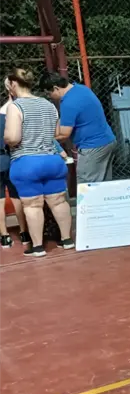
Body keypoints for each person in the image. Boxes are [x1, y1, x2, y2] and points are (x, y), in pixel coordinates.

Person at [2, 68, 74, 256]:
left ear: (13, 84)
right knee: (58, 201)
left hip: (27, 162)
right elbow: (55, 133)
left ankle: (38, 247)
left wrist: (6, 138)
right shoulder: (48, 104)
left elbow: (13, 137)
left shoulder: (15, 107)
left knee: (32, 205)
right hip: (52, 160)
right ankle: (67, 240)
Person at [40, 73, 117, 183]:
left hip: (92, 147)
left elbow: (64, 134)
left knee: (86, 186)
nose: (50, 98)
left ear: (56, 88)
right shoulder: (82, 89)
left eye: (49, 94)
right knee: (102, 186)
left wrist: (43, 138)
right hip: (108, 141)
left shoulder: (68, 102)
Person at [0, 95, 30, 248]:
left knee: (0, 198)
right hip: (10, 158)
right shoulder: (8, 117)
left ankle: (4, 236)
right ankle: (24, 232)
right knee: (15, 195)